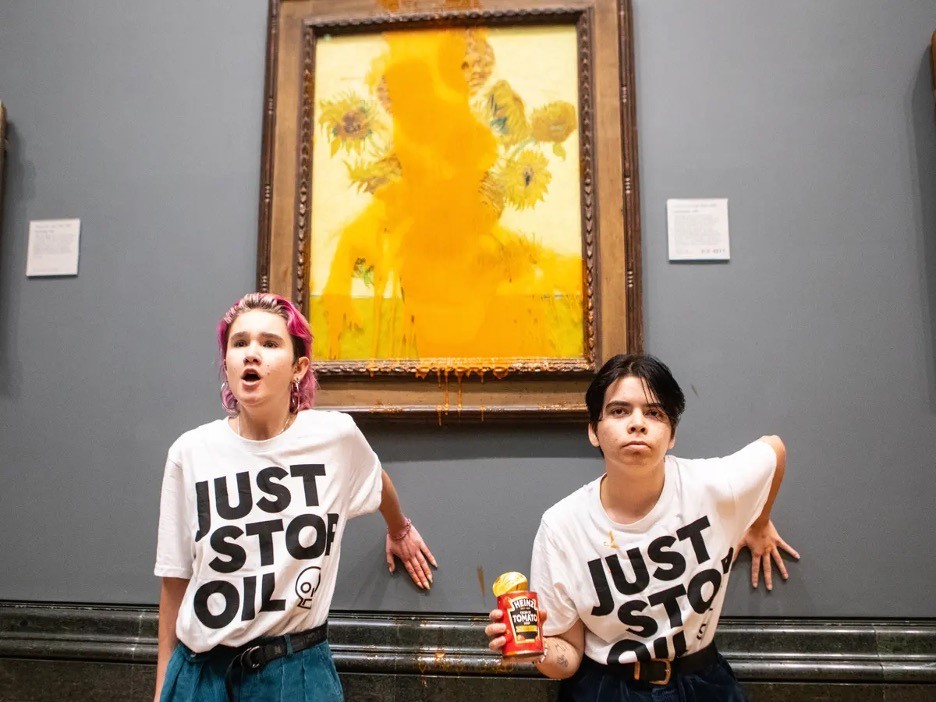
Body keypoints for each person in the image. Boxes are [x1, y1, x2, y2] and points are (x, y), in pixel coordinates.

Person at [153, 292, 437, 702]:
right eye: (239, 343)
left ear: (298, 368)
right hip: (200, 676)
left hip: (294, 672)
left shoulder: (334, 437)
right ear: (227, 362)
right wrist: (163, 690)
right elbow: (175, 582)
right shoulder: (190, 452)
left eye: (270, 343)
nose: (252, 353)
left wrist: (400, 529)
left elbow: (377, 481)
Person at [485, 354, 799, 701]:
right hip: (605, 686)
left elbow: (774, 449)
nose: (637, 424)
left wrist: (758, 523)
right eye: (619, 411)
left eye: (654, 413)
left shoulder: (715, 487)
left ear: (672, 434)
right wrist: (536, 648)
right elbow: (569, 657)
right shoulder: (562, 527)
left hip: (702, 680)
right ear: (593, 430)